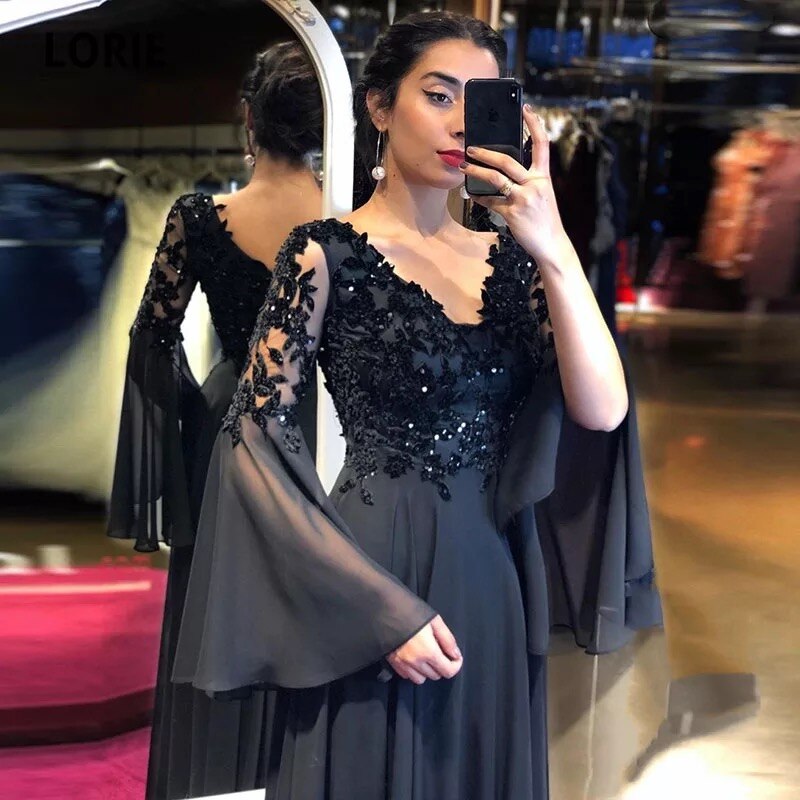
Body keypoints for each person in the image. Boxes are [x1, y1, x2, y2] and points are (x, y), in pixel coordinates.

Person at [174, 11, 660, 799]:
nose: (461, 122)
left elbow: (603, 410)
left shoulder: (517, 265)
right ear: (379, 106)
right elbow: (252, 442)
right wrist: (372, 609)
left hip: (491, 582)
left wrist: (555, 247)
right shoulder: (323, 253)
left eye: (481, 100)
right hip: (370, 576)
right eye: (438, 95)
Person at [107, 41, 324, 799]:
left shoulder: (200, 218)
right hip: (325, 427)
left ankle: (208, 781)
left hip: (226, 432)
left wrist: (198, 416)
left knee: (214, 613)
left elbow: (151, 339)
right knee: (313, 606)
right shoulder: (350, 223)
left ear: (247, 121)